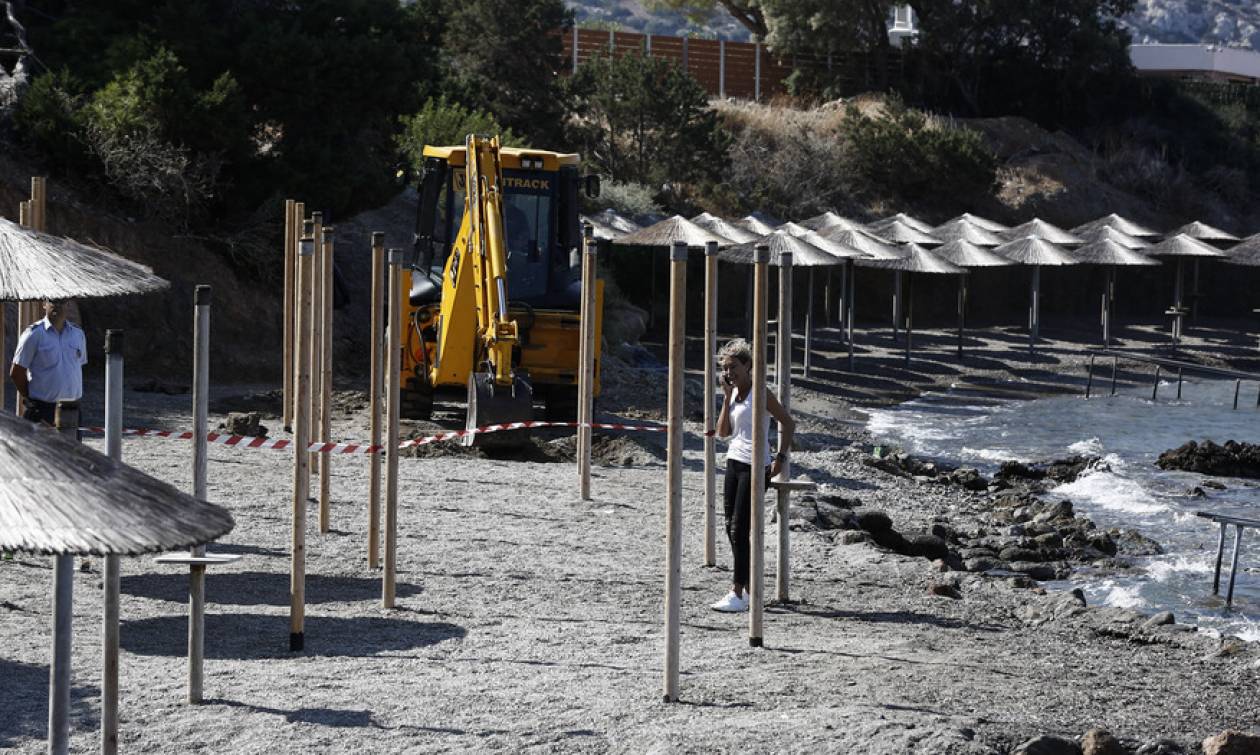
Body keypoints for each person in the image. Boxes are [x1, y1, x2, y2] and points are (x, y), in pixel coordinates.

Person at [711, 337, 795, 613]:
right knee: (729, 526)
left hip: (757, 465)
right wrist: (725, 398)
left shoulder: (761, 392)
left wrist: (781, 457)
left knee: (740, 528)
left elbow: (788, 423)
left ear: (748, 366)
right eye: (725, 368)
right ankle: (745, 588)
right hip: (734, 461)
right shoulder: (733, 394)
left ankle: (739, 591)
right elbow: (723, 433)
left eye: (733, 366)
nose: (729, 373)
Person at [10, 298, 87, 426]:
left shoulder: (78, 334)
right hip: (43, 409)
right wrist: (30, 398)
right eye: (52, 301)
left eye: (61, 302)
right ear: (44, 304)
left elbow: (79, 366)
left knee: (72, 446)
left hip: (72, 409)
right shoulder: (33, 335)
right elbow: (17, 372)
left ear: (68, 305)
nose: (57, 306)